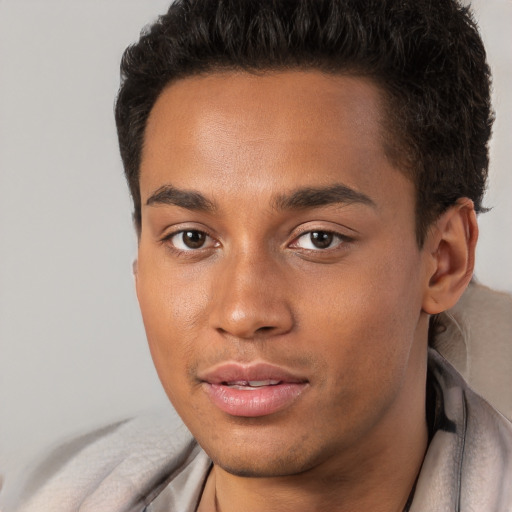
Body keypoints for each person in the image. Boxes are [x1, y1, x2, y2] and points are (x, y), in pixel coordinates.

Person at [6, 0, 512, 510]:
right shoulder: (48, 494)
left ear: (444, 260)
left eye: (319, 239)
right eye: (192, 238)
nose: (243, 313)